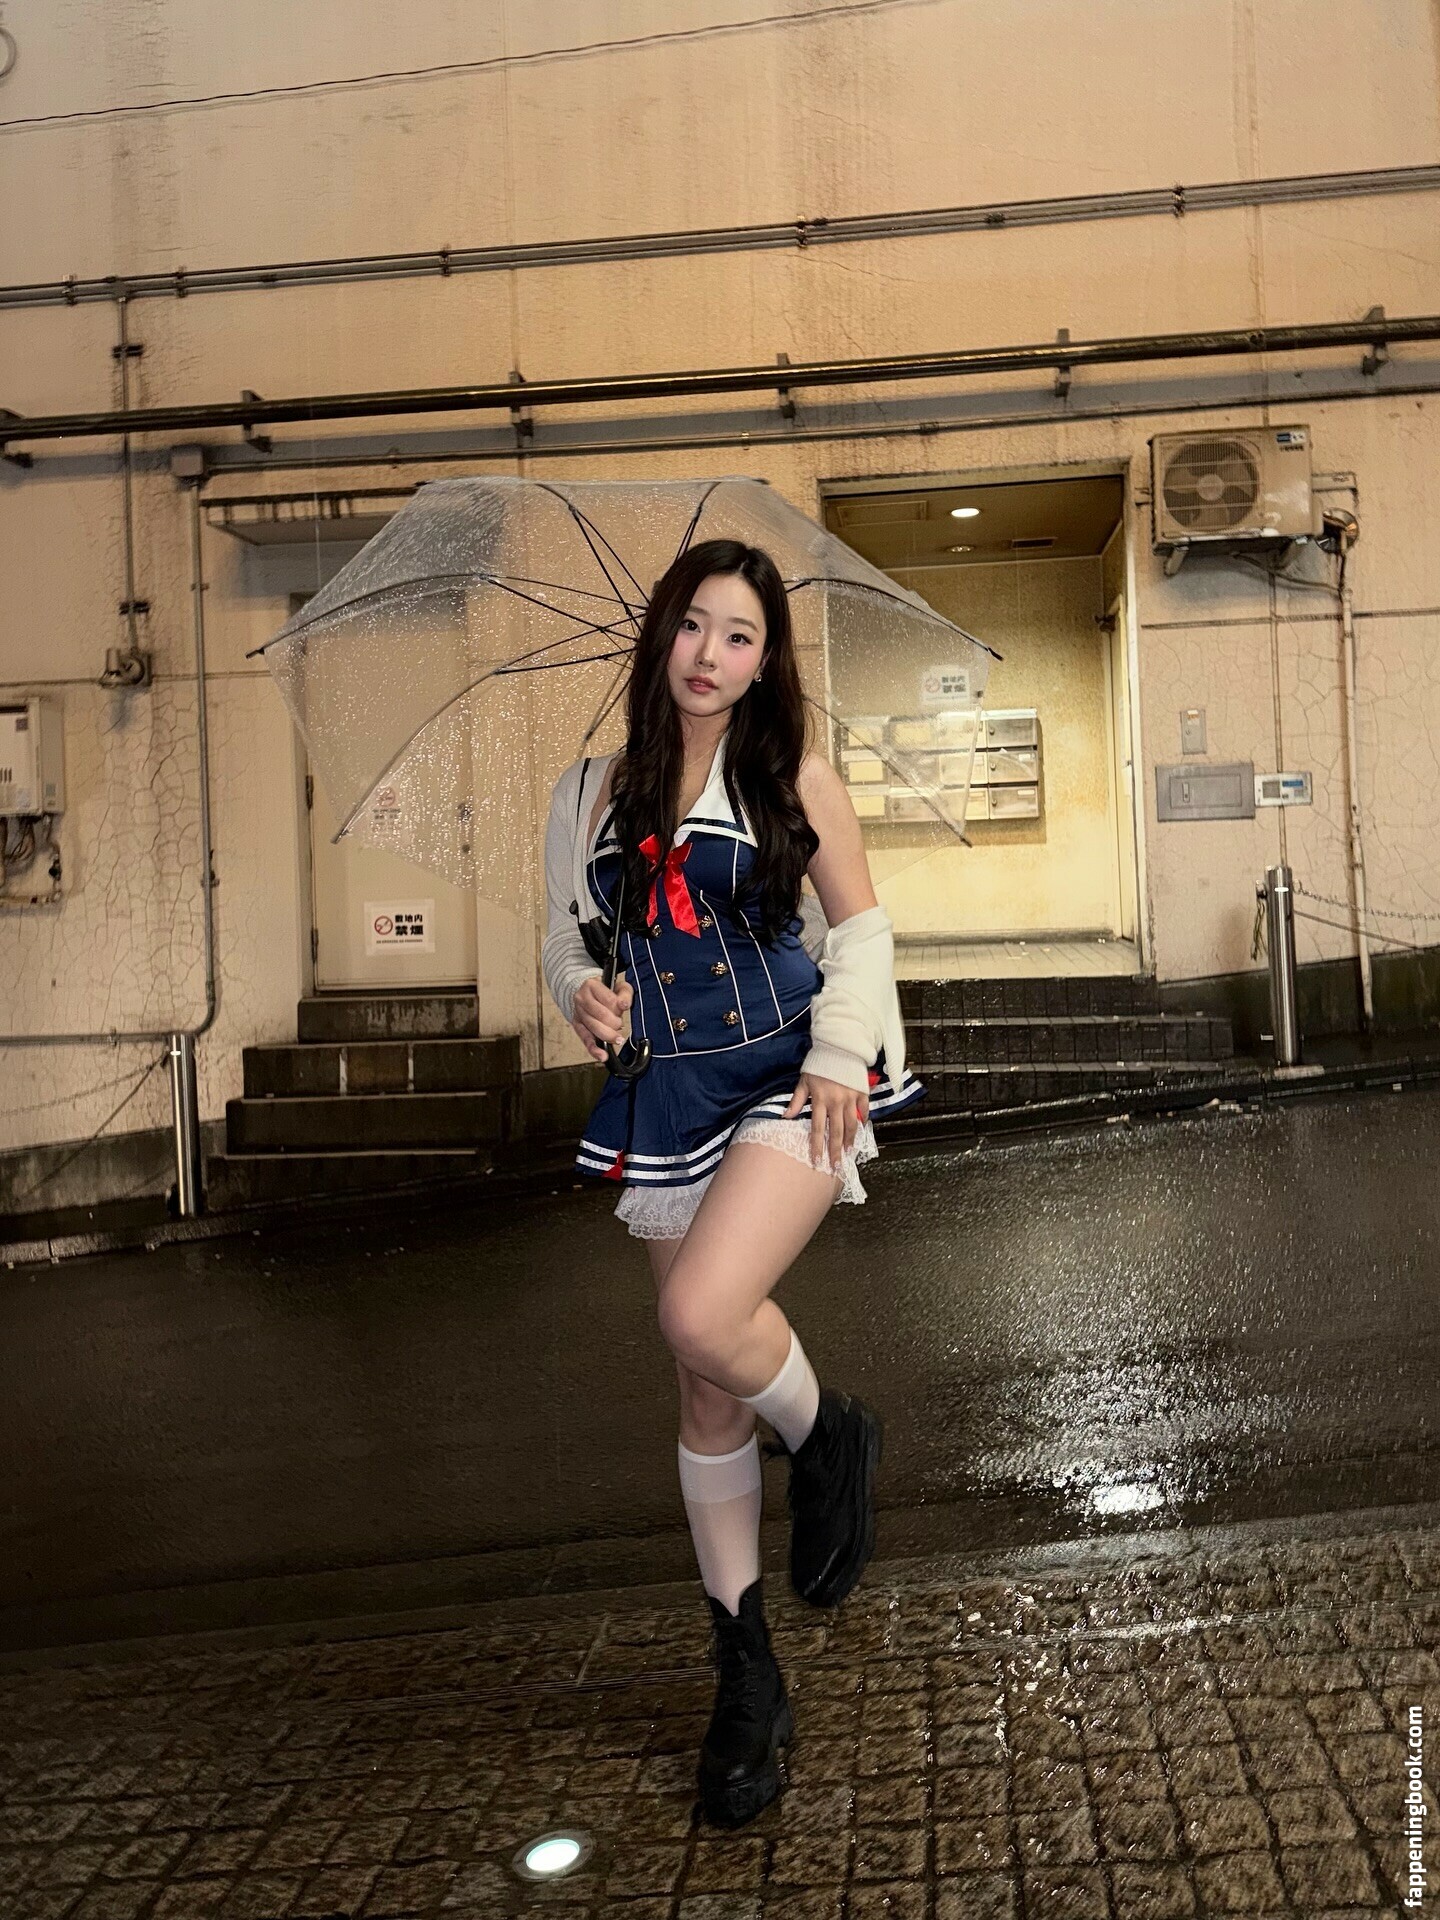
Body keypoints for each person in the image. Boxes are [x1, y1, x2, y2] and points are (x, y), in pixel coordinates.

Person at [541, 536, 925, 1829]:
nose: (710, 654)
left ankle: (827, 1433)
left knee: (700, 1313)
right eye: (694, 625)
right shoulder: (586, 793)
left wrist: (840, 1054)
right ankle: (745, 1671)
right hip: (666, 1093)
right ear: (662, 634)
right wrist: (579, 994)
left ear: (767, 660)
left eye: (740, 634)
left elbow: (861, 929)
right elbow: (565, 940)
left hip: (791, 1073)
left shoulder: (790, 769)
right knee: (705, 1387)